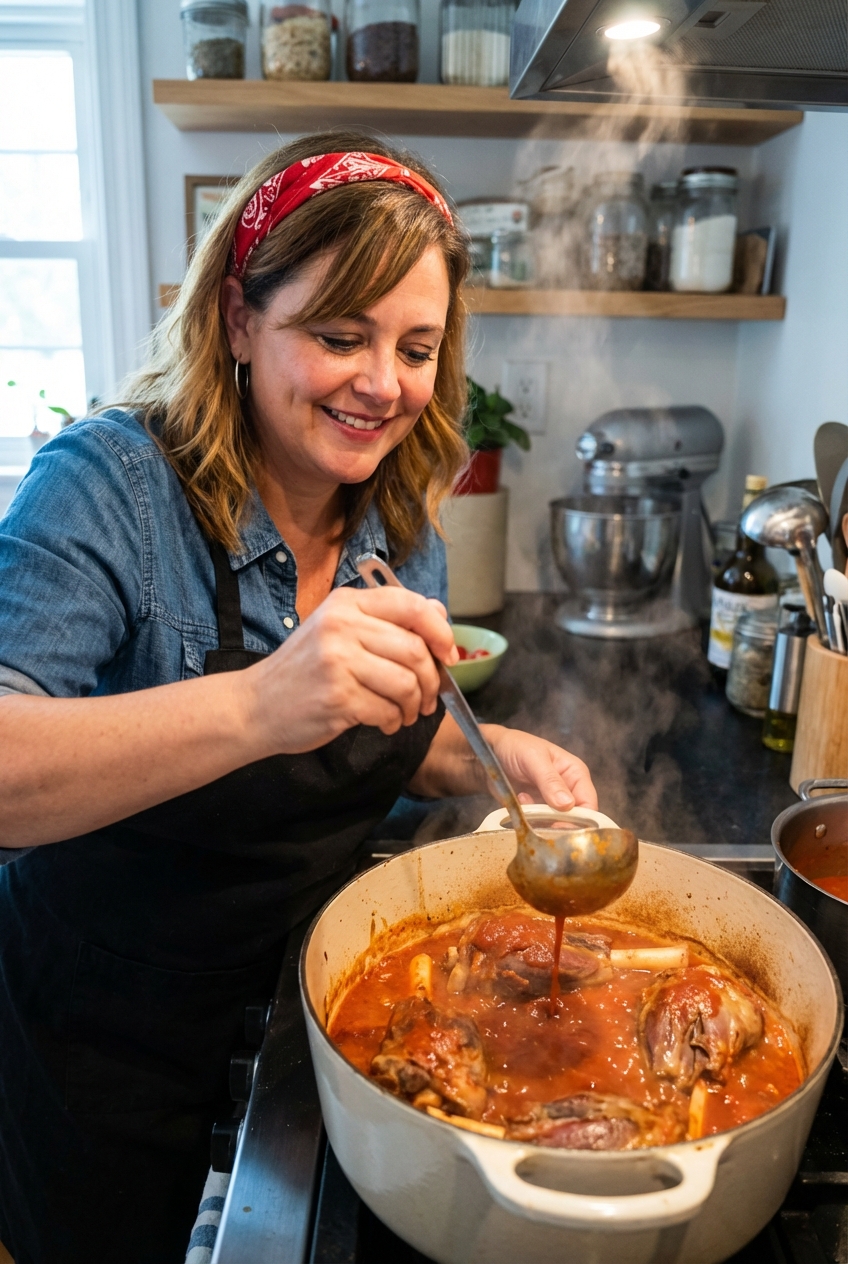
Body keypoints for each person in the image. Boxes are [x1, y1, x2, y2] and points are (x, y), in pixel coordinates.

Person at [0, 131, 596, 1264]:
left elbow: (378, 728)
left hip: (308, 1021)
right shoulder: (107, 486)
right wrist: (260, 702)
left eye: (415, 348)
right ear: (237, 318)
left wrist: (480, 754)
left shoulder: (400, 517)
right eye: (339, 335)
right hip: (102, 1049)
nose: (384, 384)